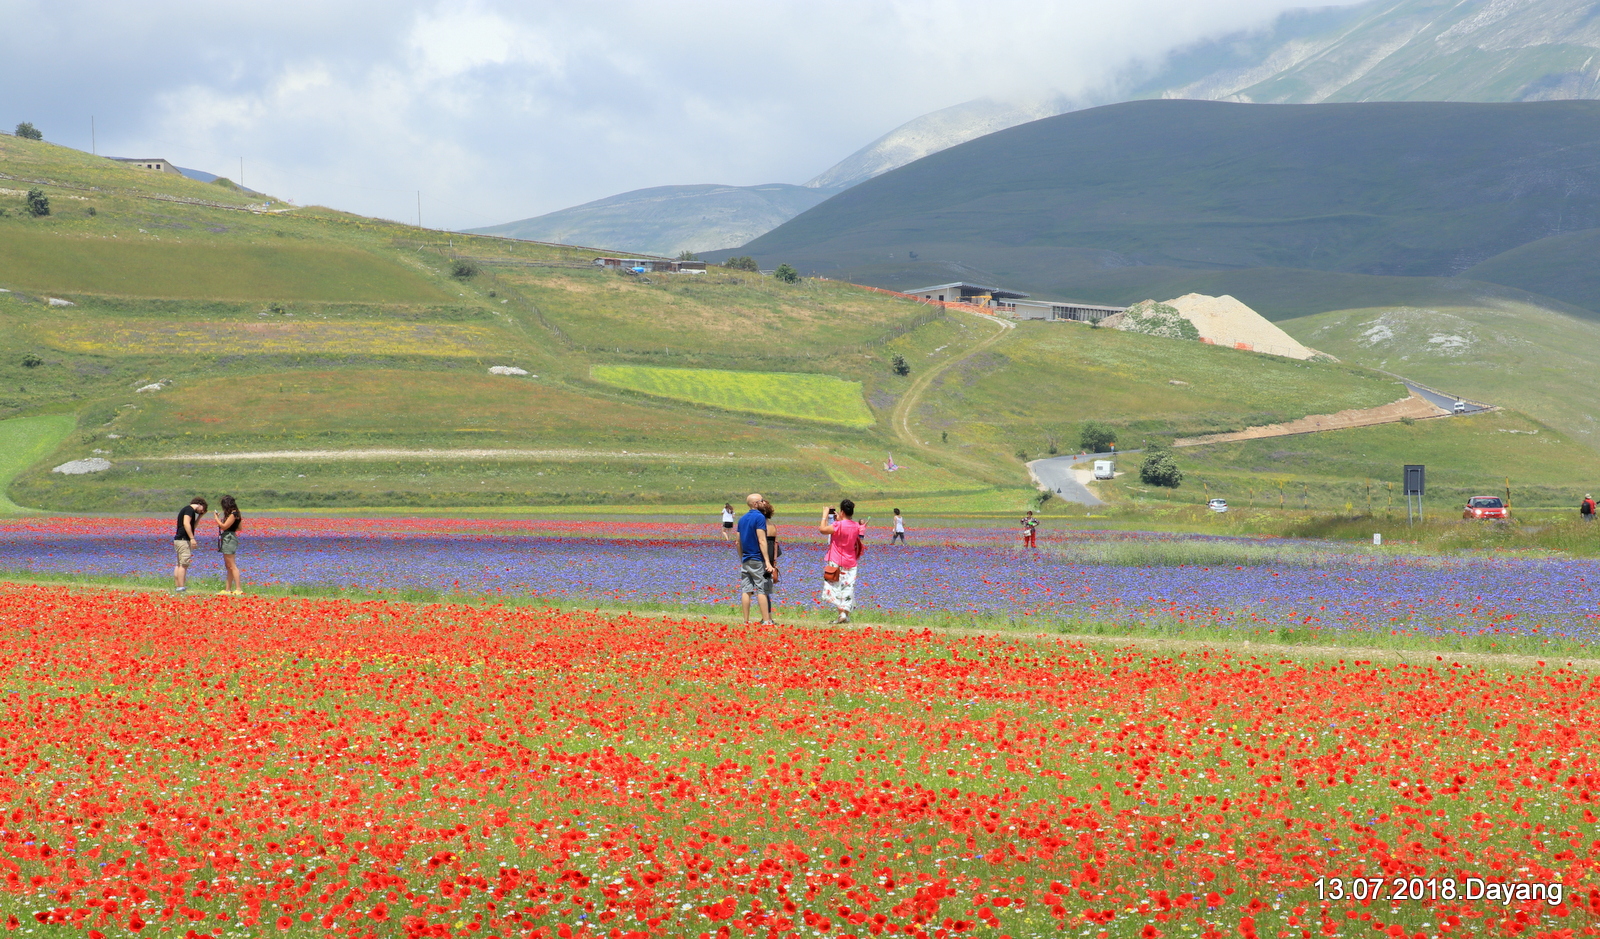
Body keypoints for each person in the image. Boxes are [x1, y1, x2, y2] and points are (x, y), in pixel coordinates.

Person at [819, 498, 864, 624]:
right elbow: (848, 528)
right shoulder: (856, 526)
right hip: (851, 561)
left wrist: (824, 516)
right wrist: (840, 519)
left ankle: (842, 614)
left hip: (836, 562)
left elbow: (822, 530)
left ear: (842, 512)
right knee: (848, 588)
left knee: (835, 588)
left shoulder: (838, 525)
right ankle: (844, 615)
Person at [737, 493, 776, 625]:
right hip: (757, 559)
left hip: (746, 559)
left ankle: (746, 621)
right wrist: (767, 562)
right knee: (762, 590)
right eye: (761, 501)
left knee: (746, 590)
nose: (764, 502)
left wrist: (741, 558)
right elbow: (762, 540)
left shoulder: (742, 519)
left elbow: (738, 542)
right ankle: (766, 620)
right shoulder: (759, 517)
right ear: (755, 504)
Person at [172, 496, 207, 593]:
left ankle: (178, 586)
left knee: (179, 564)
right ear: (200, 504)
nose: (201, 511)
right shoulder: (189, 510)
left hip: (179, 539)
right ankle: (181, 587)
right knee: (184, 564)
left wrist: (200, 516)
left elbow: (192, 527)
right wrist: (192, 538)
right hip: (184, 540)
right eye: (203, 509)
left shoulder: (187, 510)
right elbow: (186, 524)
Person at [214, 494, 244, 596]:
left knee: (232, 565)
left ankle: (238, 589)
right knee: (228, 566)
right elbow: (239, 528)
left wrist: (216, 519)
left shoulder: (233, 514)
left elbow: (223, 526)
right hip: (230, 536)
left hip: (229, 538)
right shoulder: (237, 514)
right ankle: (228, 589)